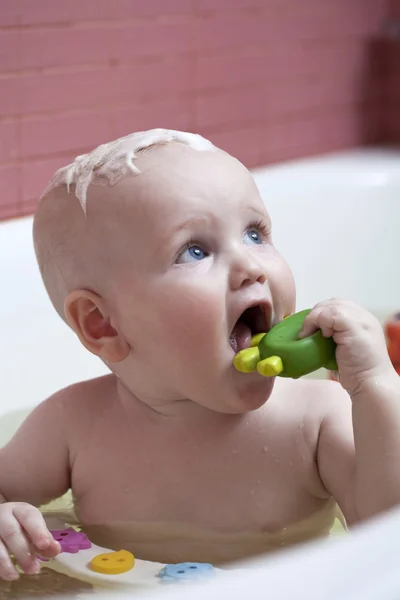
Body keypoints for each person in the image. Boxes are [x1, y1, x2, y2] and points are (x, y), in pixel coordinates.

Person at [0, 129, 399, 581]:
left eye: (255, 233)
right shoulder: (71, 425)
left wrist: (377, 386)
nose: (251, 266)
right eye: (194, 250)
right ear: (102, 323)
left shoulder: (319, 419)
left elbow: (385, 539)